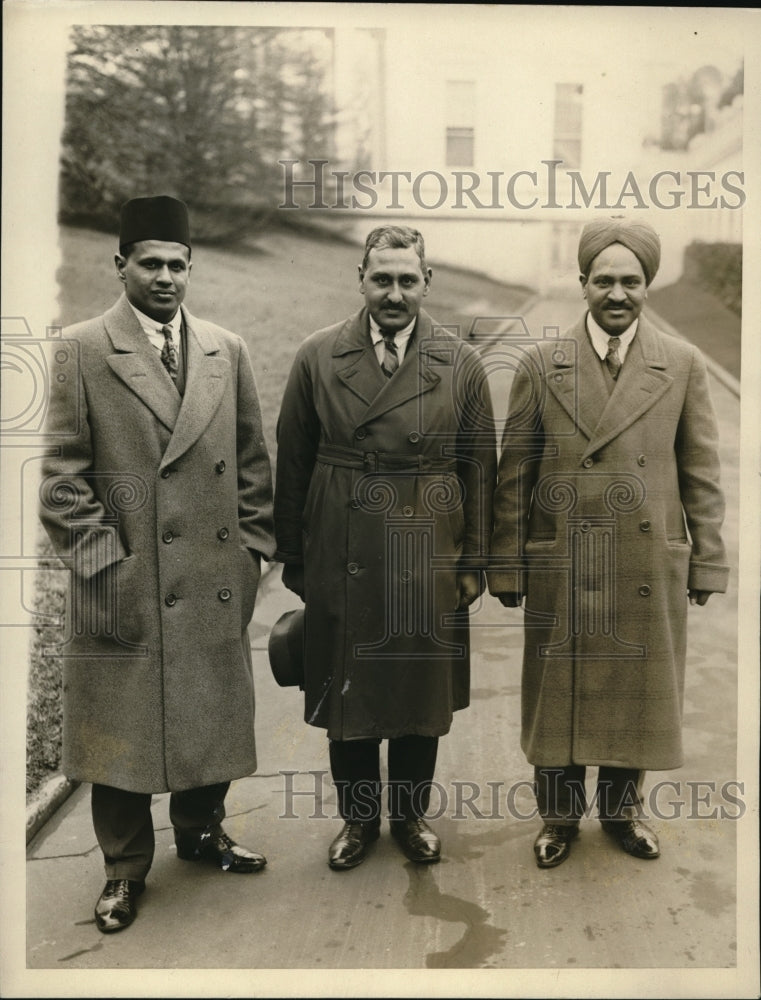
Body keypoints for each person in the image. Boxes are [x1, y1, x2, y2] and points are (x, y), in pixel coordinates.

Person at [39, 195, 276, 931]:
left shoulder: (224, 349)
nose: (166, 276)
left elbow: (251, 467)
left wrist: (252, 556)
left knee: (208, 718)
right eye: (151, 263)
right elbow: (60, 480)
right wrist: (107, 568)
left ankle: (203, 832)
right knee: (123, 734)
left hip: (210, 581)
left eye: (178, 264)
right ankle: (122, 870)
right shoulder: (81, 349)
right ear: (120, 266)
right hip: (125, 581)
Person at [487, 217, 729, 868]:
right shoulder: (541, 362)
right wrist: (507, 563)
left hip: (643, 560)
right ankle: (557, 819)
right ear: (581, 284)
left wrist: (707, 556)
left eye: (629, 281)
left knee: (636, 689)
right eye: (603, 281)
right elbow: (515, 472)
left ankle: (622, 812)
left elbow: (700, 468)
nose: (616, 294)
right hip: (562, 560)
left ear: (646, 286)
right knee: (558, 692)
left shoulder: (679, 364)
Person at [274, 225, 496, 869]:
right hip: (343, 536)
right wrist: (294, 556)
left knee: (416, 688)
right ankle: (357, 821)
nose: (394, 293)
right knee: (349, 688)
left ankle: (411, 816)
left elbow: (481, 467)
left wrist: (474, 561)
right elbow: (294, 460)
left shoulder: (463, 362)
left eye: (407, 280)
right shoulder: (318, 354)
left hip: (429, 545)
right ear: (360, 279)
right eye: (382, 278)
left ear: (428, 282)